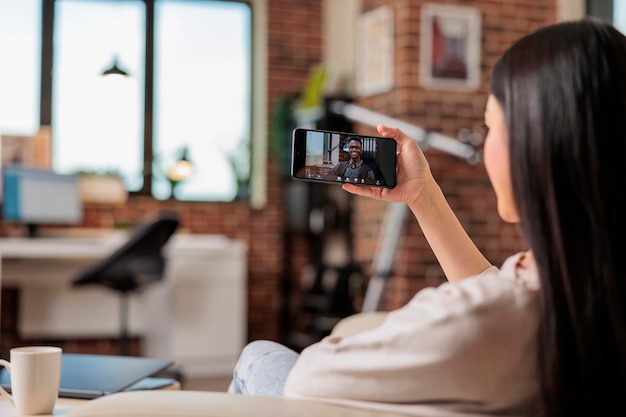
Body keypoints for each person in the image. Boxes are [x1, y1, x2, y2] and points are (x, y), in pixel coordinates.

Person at [228, 18, 626, 417]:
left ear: (534, 149)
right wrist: (424, 196)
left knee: (257, 356)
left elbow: (306, 381)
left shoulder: (483, 319)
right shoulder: (583, 288)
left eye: (490, 127)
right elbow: (502, 292)